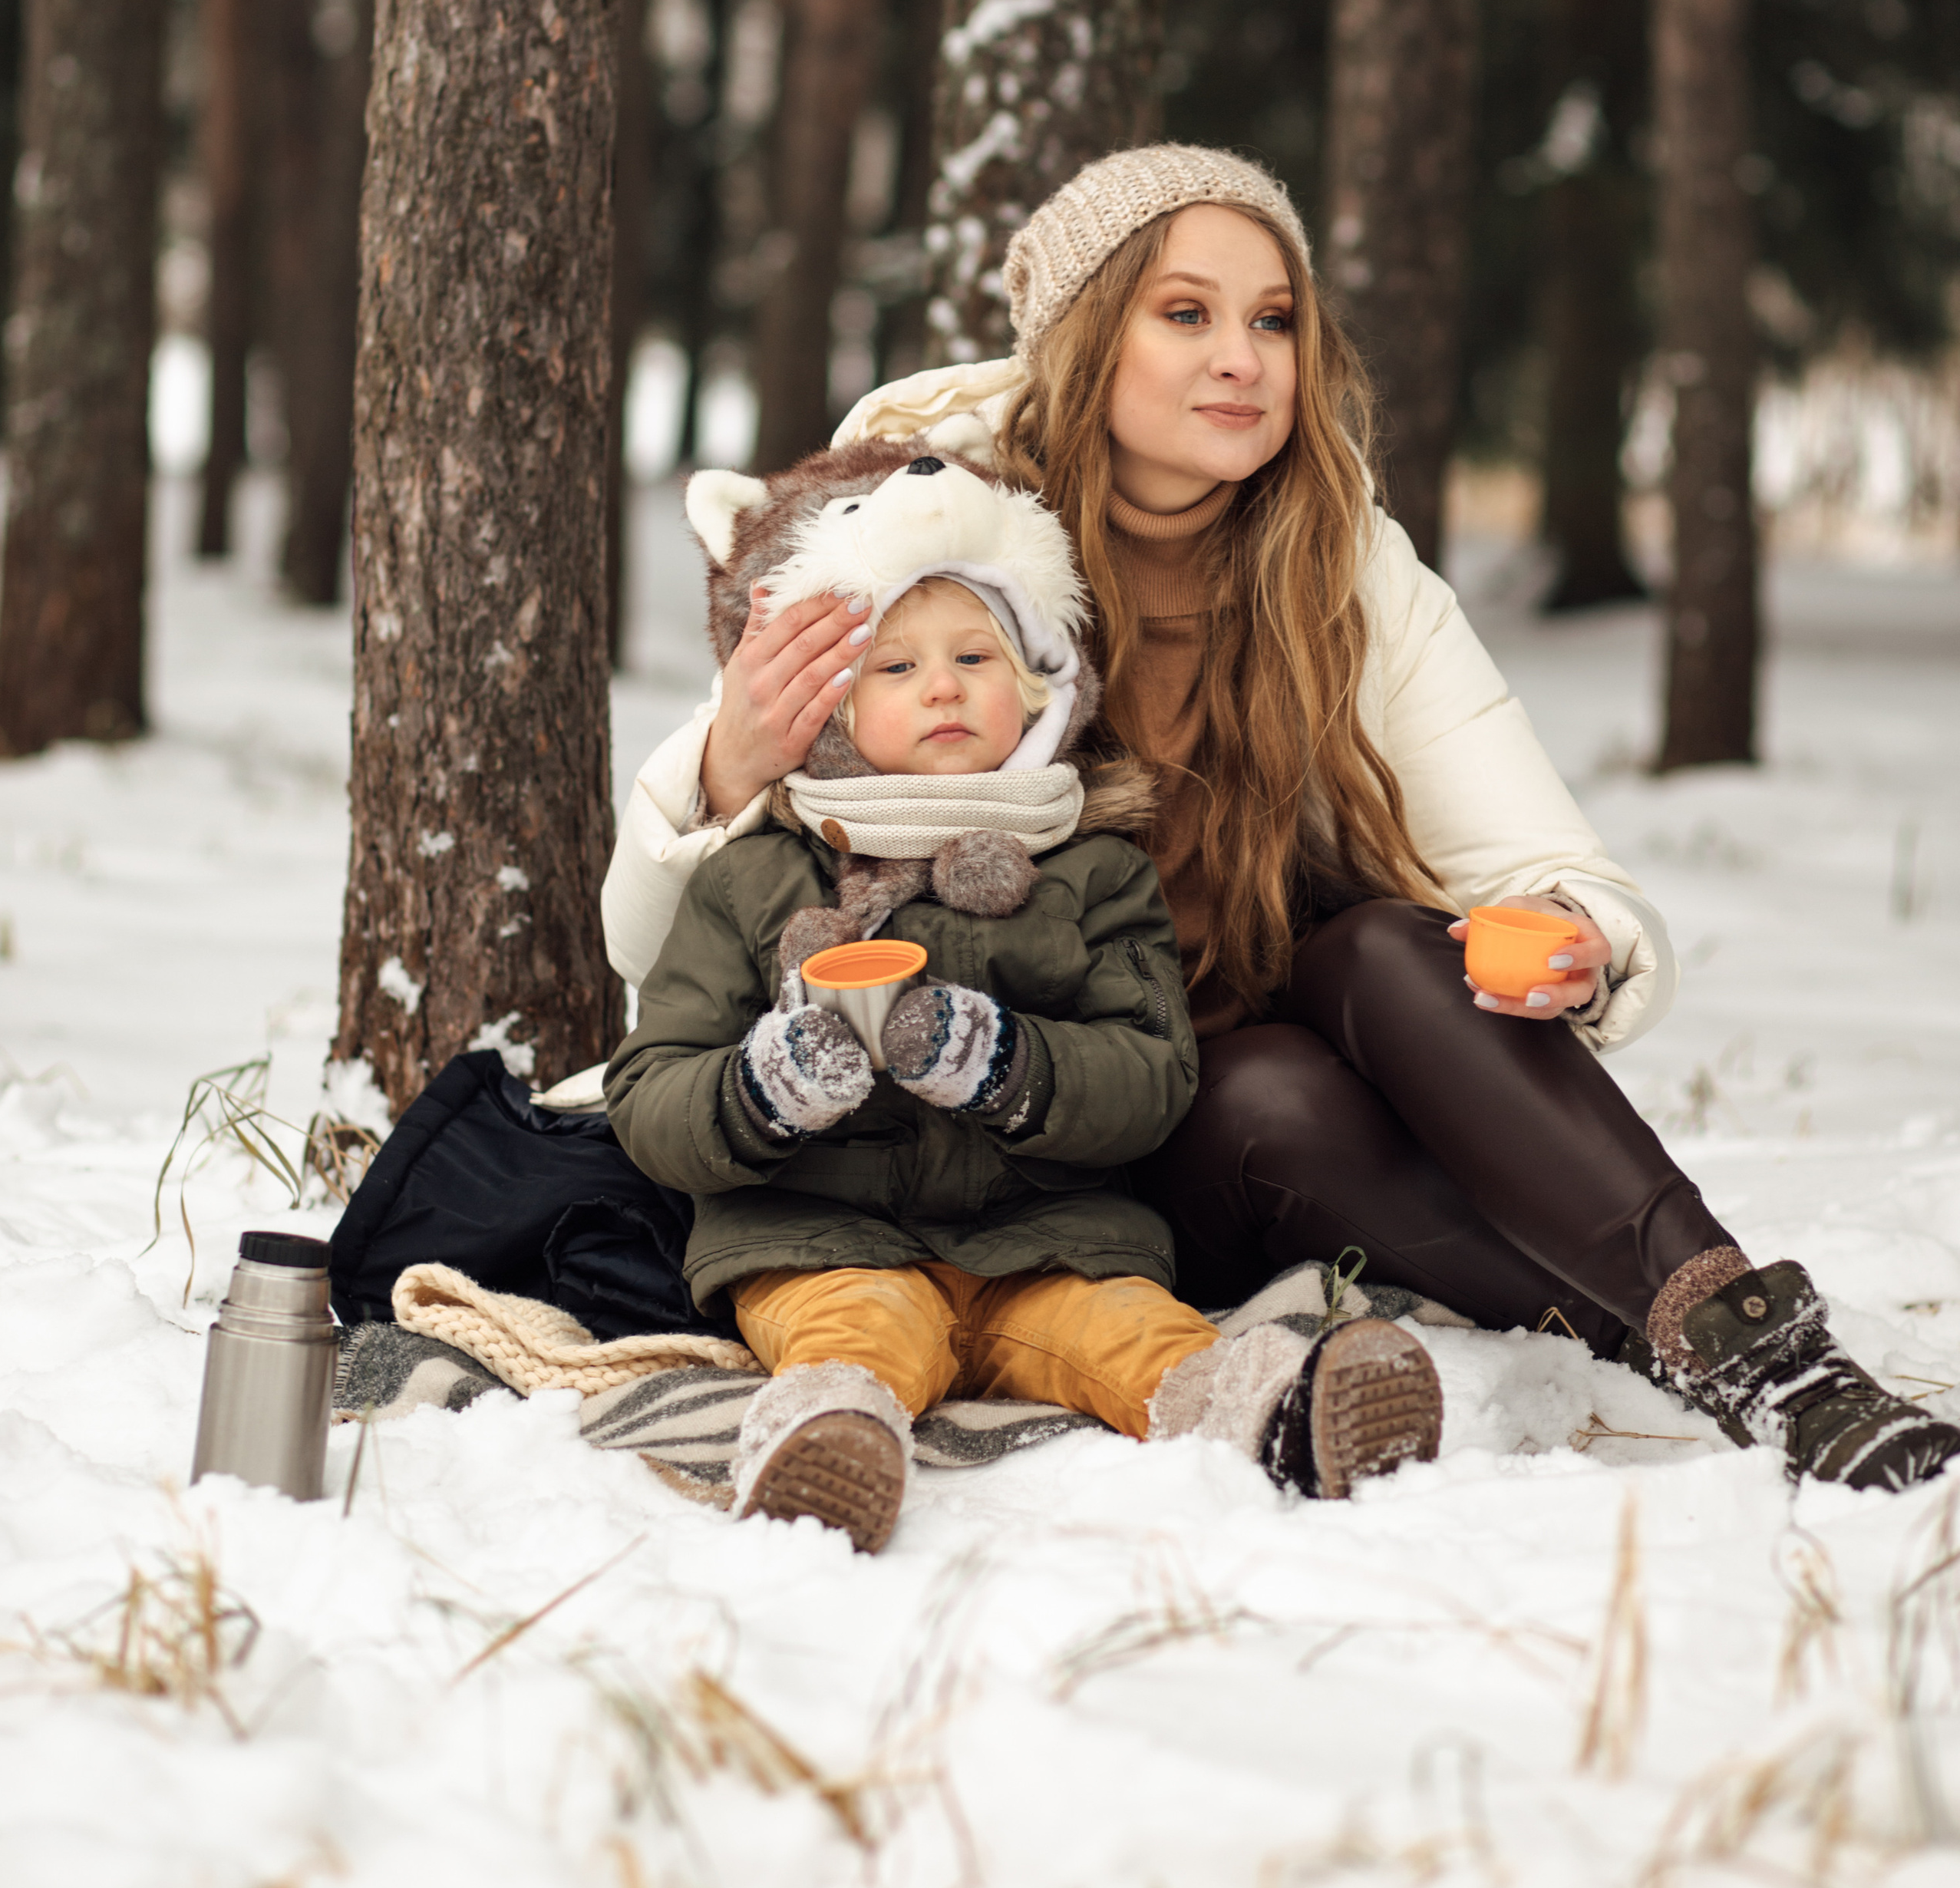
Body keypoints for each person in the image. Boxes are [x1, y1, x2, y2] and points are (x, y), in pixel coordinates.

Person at [605, 146, 1959, 1494]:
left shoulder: (1337, 553)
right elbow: (655, 946)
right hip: (1062, 1169)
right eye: (1186, 313)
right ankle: (1649, 1326)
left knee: (1371, 954)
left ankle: (1758, 1352)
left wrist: (1574, 934)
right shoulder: (935, 538)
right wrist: (729, 761)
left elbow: (1541, 857)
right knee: (1275, 1092)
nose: (1243, 358)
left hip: (1234, 1064)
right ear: (1089, 336)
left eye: (1274, 319)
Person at [605, 443, 1442, 1552]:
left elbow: (1151, 1074)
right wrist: (766, 1087)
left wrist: (1003, 1062)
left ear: (1043, 684)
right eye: (892, 669)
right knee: (854, 1336)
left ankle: (1273, 1409)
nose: (941, 685)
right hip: (820, 1236)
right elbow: (652, 1087)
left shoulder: (1094, 869)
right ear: (830, 710)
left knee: (1138, 1333)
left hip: (1051, 1236)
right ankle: (827, 1436)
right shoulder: (753, 874)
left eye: (972, 655)